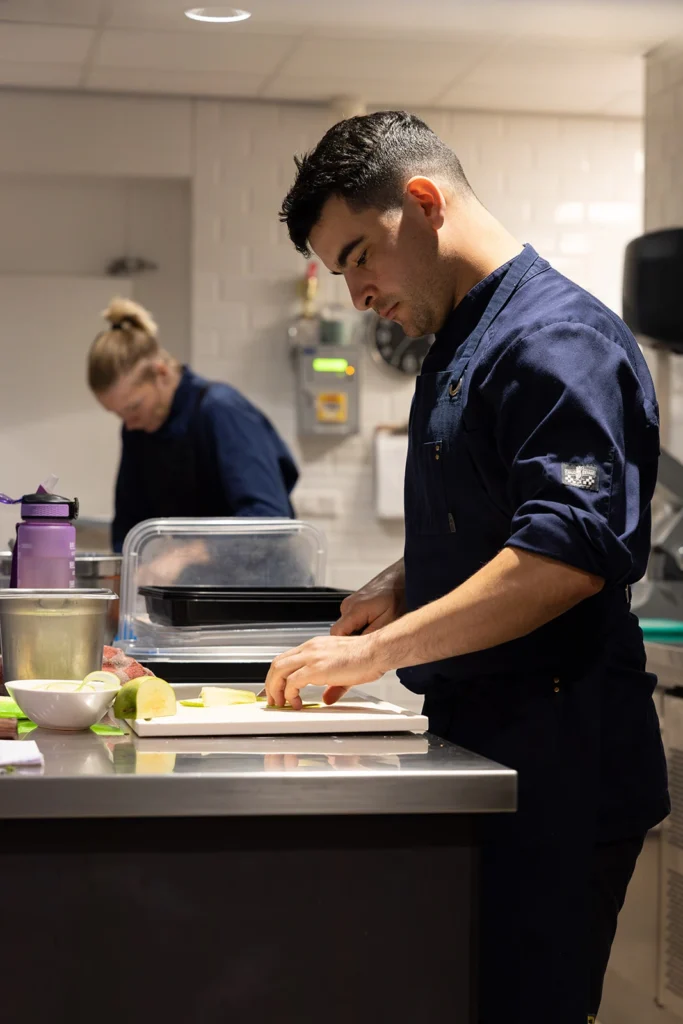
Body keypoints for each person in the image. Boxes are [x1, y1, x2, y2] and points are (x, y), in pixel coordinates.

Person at [266, 111, 669, 1023]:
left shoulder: (554, 340)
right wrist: (405, 578)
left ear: (422, 201)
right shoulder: (463, 337)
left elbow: (564, 555)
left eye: (359, 256)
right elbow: (497, 516)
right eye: (340, 273)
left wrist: (372, 655)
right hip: (493, 745)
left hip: (562, 759)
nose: (357, 294)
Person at [88, 298, 299, 553]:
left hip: (263, 575)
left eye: (133, 407)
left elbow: (269, 521)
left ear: (161, 374)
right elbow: (129, 527)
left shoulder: (221, 410)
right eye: (118, 414)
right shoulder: (138, 429)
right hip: (201, 578)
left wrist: (188, 555)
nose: (129, 424)